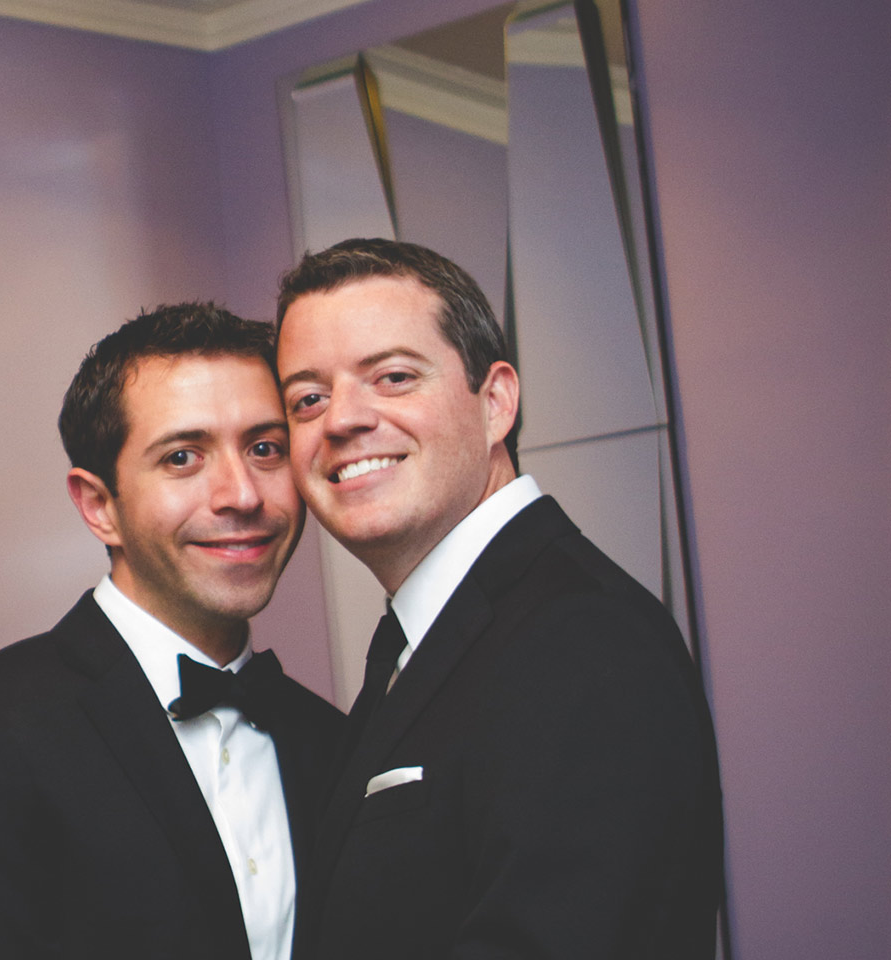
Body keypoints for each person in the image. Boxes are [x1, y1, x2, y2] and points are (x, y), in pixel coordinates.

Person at [274, 238, 724, 959]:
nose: (342, 421)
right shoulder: (425, 643)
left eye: (391, 376)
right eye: (308, 398)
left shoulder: (584, 639)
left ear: (495, 401)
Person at [0, 303, 344, 960]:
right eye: (183, 457)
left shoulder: (335, 742)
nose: (242, 494)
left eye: (266, 449)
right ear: (100, 506)